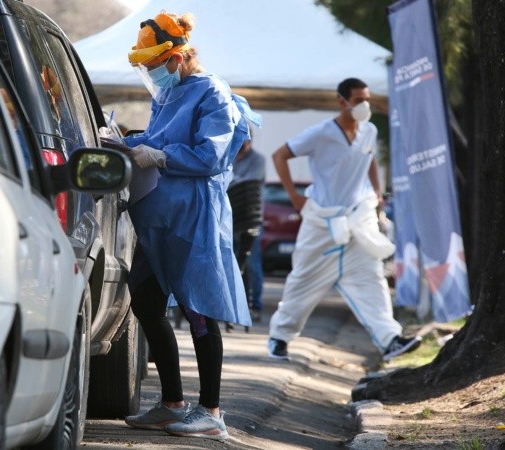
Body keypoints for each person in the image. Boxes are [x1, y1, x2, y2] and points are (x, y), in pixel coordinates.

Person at [111, 11, 260, 440]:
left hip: (195, 213)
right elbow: (157, 140)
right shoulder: (166, 96)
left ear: (176, 59)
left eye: (155, 66)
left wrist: (160, 157)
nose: (151, 74)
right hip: (159, 215)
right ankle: (171, 402)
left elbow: (211, 156)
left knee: (198, 308)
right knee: (145, 300)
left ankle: (211, 411)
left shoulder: (212, 92)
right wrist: (126, 143)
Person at [266, 77, 421, 362]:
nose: (365, 105)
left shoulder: (369, 131)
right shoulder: (321, 133)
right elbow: (280, 155)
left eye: (367, 99)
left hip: (356, 221)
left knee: (371, 278)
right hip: (321, 223)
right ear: (342, 101)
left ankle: (390, 340)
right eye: (359, 100)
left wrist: (376, 191)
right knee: (303, 282)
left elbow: (369, 159)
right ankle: (279, 337)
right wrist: (294, 197)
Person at [225, 138, 266, 332]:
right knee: (230, 264)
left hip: (250, 218)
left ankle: (254, 306)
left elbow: (246, 181)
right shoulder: (230, 156)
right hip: (230, 218)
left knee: (252, 265)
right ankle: (231, 307)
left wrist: (231, 179)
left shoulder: (258, 159)